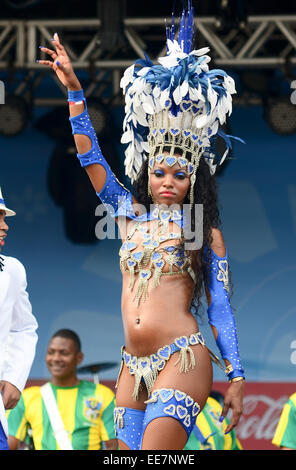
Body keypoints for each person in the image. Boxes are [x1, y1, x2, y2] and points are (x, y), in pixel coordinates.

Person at [36, 1, 245, 450]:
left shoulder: (204, 233)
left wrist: (238, 378)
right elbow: (90, 156)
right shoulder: (129, 214)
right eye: (159, 171)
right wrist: (75, 92)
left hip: (182, 358)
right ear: (147, 172)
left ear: (193, 180)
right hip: (133, 364)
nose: (167, 181)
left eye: (178, 174)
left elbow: (221, 308)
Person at [7, 329, 117, 450]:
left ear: (79, 358)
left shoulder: (102, 394)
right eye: (51, 352)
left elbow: (113, 446)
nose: (56, 358)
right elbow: (8, 444)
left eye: (64, 353)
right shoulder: (27, 397)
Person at [0, 186, 38, 451]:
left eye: (4, 218)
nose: (5, 227)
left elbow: (24, 328)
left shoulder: (11, 270)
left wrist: (15, 377)